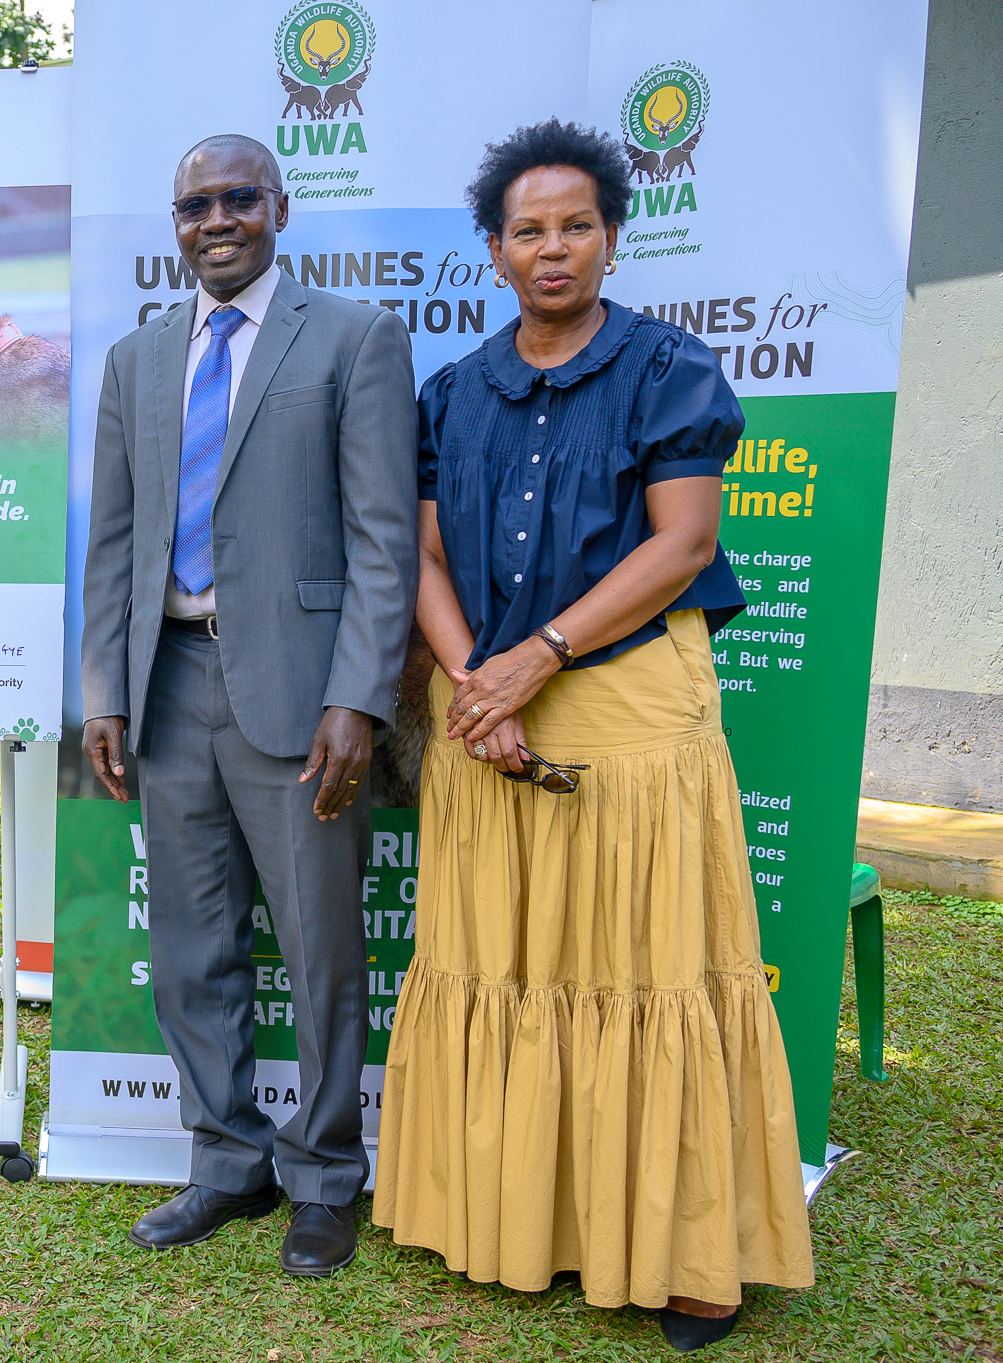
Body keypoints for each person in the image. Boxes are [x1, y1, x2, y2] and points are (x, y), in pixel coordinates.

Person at [371, 120, 814, 1352]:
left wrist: (536, 660)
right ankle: (524, 1224)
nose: (552, 247)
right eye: (528, 230)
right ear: (492, 252)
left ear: (611, 239)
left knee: (645, 964)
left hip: (621, 698)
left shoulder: (666, 369)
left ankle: (686, 1255)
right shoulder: (451, 392)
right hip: (482, 707)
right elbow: (420, 554)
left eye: (575, 225)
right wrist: (471, 681)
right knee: (503, 964)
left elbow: (679, 544)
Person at [81, 134, 418, 1276]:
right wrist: (102, 690)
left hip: (298, 692)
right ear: (172, 223)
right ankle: (224, 1159)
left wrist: (358, 697)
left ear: (277, 207)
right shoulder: (135, 360)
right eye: (192, 205)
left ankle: (325, 1177)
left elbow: (383, 543)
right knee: (191, 943)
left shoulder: (354, 339)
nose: (214, 220)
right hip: (166, 685)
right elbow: (114, 543)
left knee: (319, 948)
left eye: (236, 199)